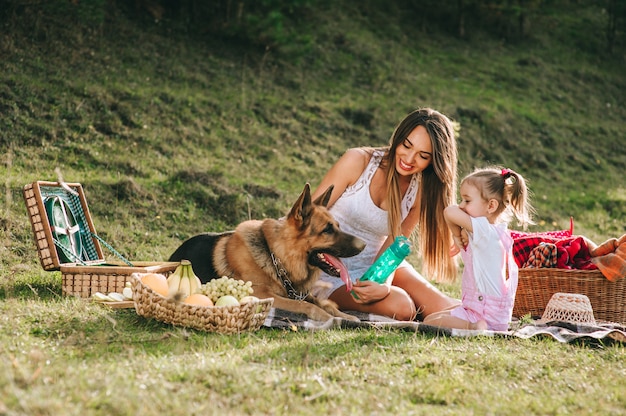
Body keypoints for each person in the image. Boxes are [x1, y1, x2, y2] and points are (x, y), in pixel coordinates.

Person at [310, 108, 461, 321]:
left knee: (445, 308)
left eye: (423, 156)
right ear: (398, 138)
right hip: (329, 268)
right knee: (403, 307)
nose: (409, 159)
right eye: (406, 145)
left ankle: (491, 318)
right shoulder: (358, 161)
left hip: (378, 264)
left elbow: (394, 246)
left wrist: (383, 283)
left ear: (433, 160)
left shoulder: (420, 188)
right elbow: (307, 215)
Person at [423, 166, 535, 331]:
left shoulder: (484, 231)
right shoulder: (494, 232)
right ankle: (473, 323)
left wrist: (455, 234)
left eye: (467, 200)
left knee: (429, 321)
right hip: (493, 313)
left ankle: (473, 327)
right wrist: (460, 232)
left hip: (484, 315)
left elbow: (449, 211)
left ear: (491, 206)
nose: (461, 205)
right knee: (437, 315)